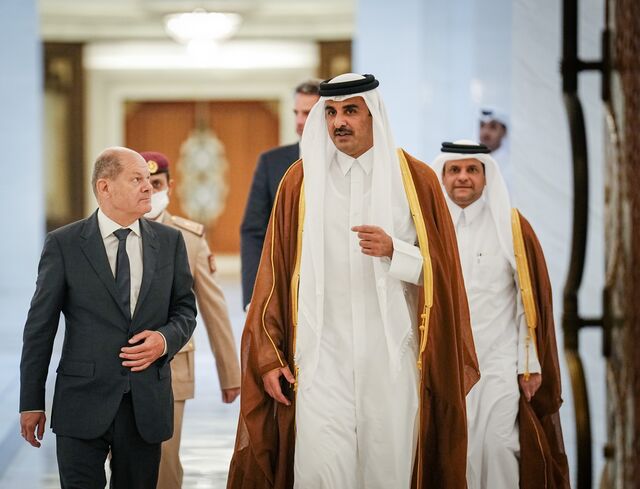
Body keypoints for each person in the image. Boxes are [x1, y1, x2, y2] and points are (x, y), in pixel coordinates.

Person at [227, 73, 479, 489]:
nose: (338, 122)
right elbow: (274, 273)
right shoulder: (299, 181)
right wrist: (269, 356)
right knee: (321, 470)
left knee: (388, 471)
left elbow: (444, 274)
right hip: (320, 357)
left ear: (372, 114)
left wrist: (395, 252)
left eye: (349, 111)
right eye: (330, 112)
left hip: (391, 358)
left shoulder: (416, 181)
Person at [19, 147, 197, 489]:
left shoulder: (170, 241)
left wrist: (164, 340)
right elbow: (40, 329)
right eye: (136, 179)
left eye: (149, 180)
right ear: (105, 187)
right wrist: (31, 401)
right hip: (81, 401)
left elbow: (185, 310)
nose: (148, 187)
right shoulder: (64, 245)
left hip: (145, 403)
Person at [431, 141, 569, 489]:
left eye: (472, 170)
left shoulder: (512, 227)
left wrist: (530, 364)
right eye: (454, 170)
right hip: (446, 365)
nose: (463, 178)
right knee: (454, 452)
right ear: (443, 176)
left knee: (498, 446)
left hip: (498, 362)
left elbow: (530, 303)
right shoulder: (429, 229)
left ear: (486, 176)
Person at [139, 150, 242, 489]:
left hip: (173, 365)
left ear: (171, 185)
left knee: (165, 462)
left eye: (157, 184)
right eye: (143, 183)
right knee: (127, 463)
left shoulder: (190, 238)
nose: (151, 191)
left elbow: (214, 309)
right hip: (121, 365)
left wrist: (230, 374)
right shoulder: (111, 233)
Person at [240, 79, 321, 309]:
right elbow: (254, 232)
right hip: (283, 285)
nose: (299, 121)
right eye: (296, 112)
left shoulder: (345, 162)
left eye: (307, 113)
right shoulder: (271, 162)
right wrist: (252, 298)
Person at [478, 108, 512, 193]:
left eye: (492, 127)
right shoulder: (473, 160)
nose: (485, 132)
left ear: (504, 131)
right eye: (482, 125)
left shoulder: (511, 165)